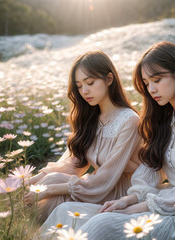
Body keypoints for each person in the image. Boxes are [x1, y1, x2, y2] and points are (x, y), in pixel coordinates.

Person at [43, 41, 175, 239]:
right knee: (65, 211)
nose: (151, 89)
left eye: (157, 80)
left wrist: (138, 208)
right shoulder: (164, 122)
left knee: (103, 223)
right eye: (146, 83)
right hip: (167, 200)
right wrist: (129, 200)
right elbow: (149, 170)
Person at [24, 50, 141, 224]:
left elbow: (106, 178)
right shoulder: (91, 118)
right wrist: (26, 182)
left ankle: (30, 228)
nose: (84, 91)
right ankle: (18, 224)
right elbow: (73, 163)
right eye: (79, 86)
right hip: (96, 186)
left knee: (53, 189)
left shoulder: (129, 120)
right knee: (51, 179)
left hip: (120, 192)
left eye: (90, 83)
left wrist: (49, 190)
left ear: (109, 79)